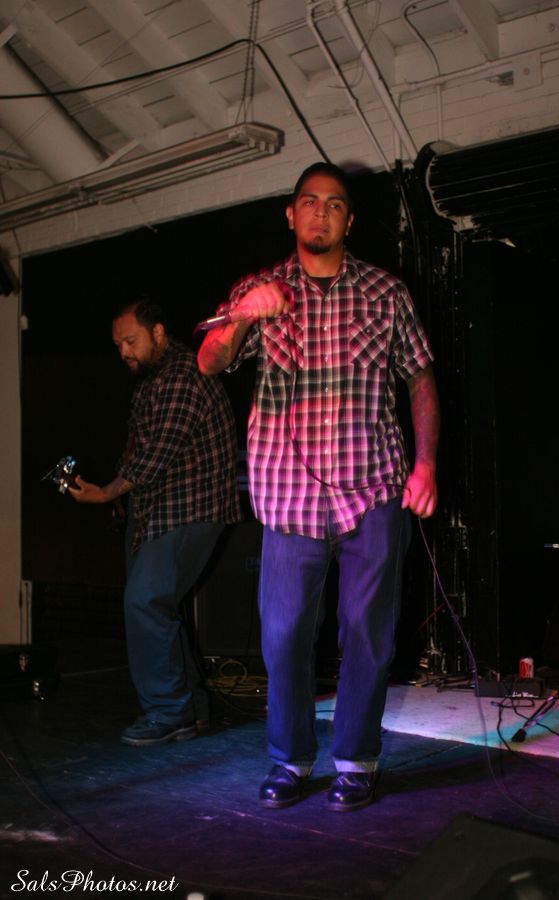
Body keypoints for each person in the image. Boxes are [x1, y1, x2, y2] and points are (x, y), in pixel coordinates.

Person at [197, 162, 439, 811]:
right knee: (283, 639)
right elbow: (210, 360)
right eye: (309, 201)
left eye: (334, 204)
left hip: (373, 488)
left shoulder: (385, 292)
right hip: (287, 495)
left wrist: (425, 465)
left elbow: (420, 377)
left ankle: (356, 760)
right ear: (291, 214)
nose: (321, 213)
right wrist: (243, 316)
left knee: (368, 634)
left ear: (349, 220)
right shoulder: (260, 289)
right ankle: (290, 759)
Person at [69, 298, 241, 746]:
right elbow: (138, 447)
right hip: (158, 511)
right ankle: (191, 709)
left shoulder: (183, 375)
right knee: (158, 607)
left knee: (145, 602)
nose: (124, 351)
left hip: (189, 508)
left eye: (131, 341)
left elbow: (156, 452)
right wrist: (119, 499)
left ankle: (169, 712)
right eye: (117, 345)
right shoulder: (153, 380)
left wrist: (108, 492)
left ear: (158, 333)